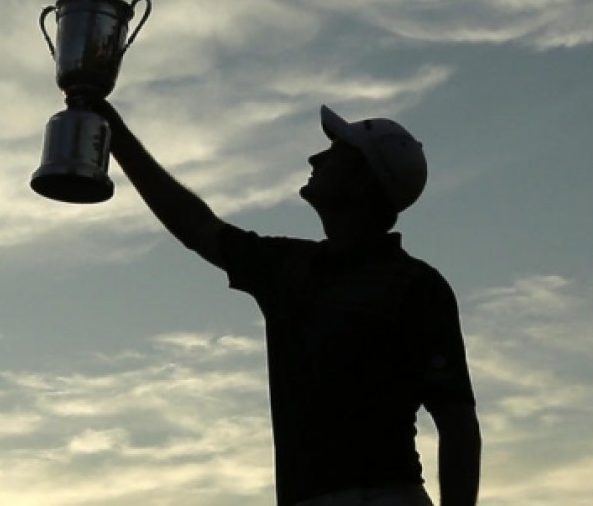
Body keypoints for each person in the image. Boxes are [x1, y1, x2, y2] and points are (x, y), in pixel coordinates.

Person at [91, 99, 481, 506]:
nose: (316, 158)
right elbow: (196, 226)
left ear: (363, 179)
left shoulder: (414, 287)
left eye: (335, 153)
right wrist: (115, 134)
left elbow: (456, 422)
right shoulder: (292, 267)